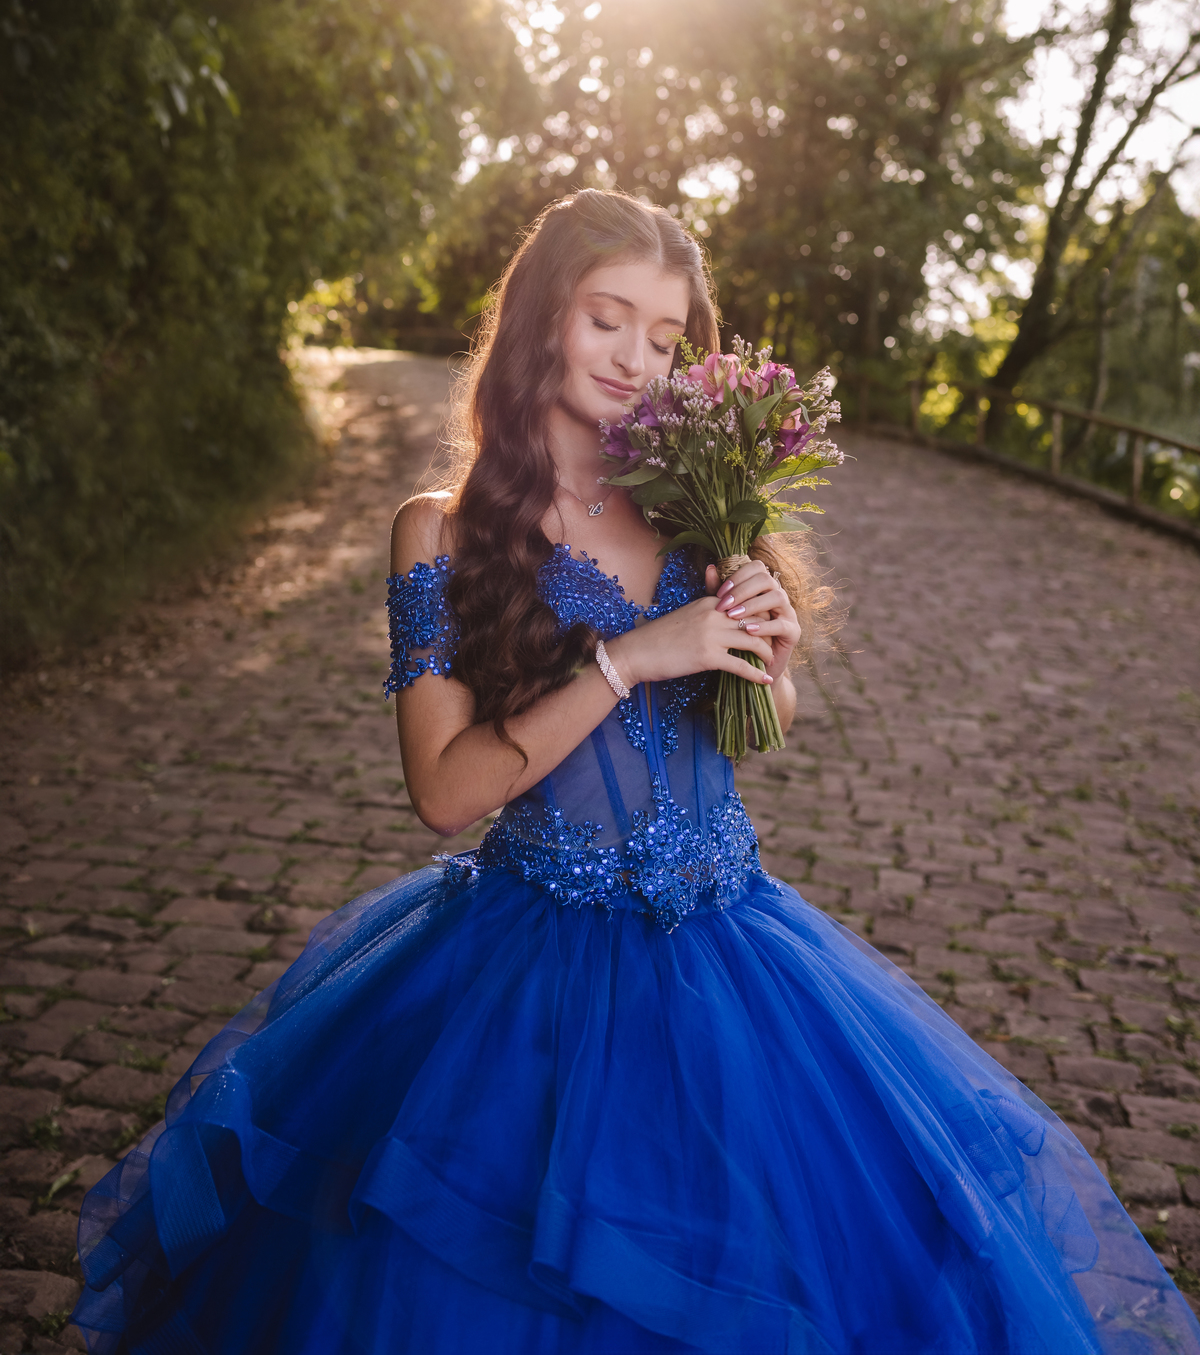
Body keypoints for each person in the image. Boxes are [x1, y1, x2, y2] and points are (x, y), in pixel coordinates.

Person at [73, 190, 1198, 1354]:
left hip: (738, 961)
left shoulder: (696, 497)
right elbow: (447, 793)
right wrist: (624, 659)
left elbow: (765, 712)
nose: (636, 359)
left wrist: (770, 652)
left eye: (666, 339)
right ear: (539, 317)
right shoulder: (442, 532)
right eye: (608, 318)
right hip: (529, 970)